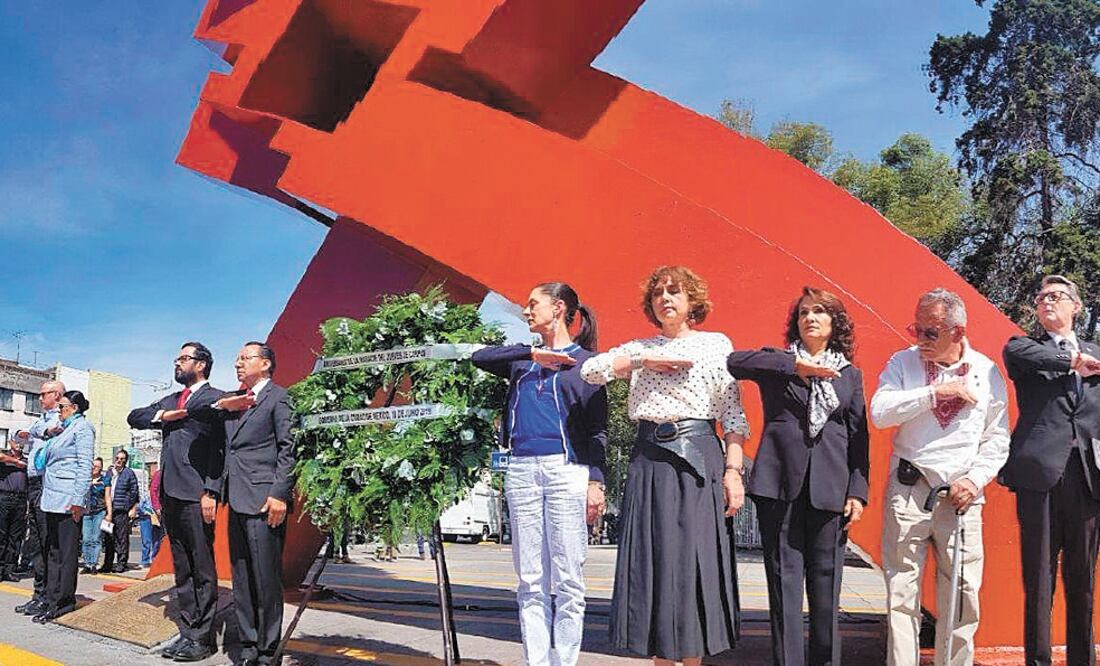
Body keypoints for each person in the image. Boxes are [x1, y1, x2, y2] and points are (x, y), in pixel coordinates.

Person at [581, 265, 748, 666]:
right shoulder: (638, 347)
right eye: (658, 293)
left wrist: (733, 471)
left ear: (693, 301)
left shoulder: (715, 344)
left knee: (693, 564)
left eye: (675, 292)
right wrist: (642, 361)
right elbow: (590, 372)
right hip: (649, 461)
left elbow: (735, 415)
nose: (665, 299)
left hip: (700, 458)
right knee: (654, 563)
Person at [726, 286, 869, 666]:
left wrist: (858, 490)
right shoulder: (777, 363)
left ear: (834, 323)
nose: (810, 318)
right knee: (784, 586)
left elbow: (859, 438)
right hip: (780, 488)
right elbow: (735, 362)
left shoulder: (850, 376)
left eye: (820, 312)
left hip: (831, 491)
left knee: (827, 589)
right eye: (804, 312)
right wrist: (798, 368)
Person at [471, 281, 608, 666]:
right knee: (530, 580)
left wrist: (596, 481)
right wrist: (533, 352)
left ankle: (564, 661)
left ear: (559, 308)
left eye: (533, 304)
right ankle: (536, 661)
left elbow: (599, 429)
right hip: (521, 471)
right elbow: (480, 357)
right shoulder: (521, 360)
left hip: (567, 472)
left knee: (568, 579)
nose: (527, 311)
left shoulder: (586, 364)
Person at [871, 288, 1009, 666]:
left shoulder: (985, 371)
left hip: (962, 496)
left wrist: (976, 480)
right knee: (901, 592)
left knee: (963, 594)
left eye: (930, 332)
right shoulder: (903, 362)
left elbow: (997, 438)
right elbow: (880, 413)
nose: (920, 339)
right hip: (909, 490)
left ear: (958, 332)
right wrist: (934, 392)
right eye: (917, 328)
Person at [1001, 275, 1100, 666]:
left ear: (1077, 306)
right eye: (1041, 297)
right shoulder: (1024, 348)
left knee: (1083, 580)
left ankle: (1082, 660)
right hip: (1039, 477)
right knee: (1039, 579)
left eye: (1056, 297)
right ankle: (1038, 660)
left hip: (1089, 478)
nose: (1046, 303)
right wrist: (1073, 361)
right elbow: (1027, 359)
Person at [198, 342, 294, 666]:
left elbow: (288, 449)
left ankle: (268, 652)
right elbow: (219, 442)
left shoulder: (279, 398)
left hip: (265, 502)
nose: (238, 363)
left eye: (245, 358)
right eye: (237, 358)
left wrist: (280, 493)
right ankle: (248, 646)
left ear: (265, 364)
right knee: (241, 578)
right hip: (236, 500)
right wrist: (212, 491)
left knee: (265, 579)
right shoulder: (234, 403)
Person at [128, 341, 225, 661]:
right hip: (170, 494)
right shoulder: (171, 399)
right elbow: (136, 416)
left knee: (201, 567)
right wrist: (166, 414)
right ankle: (187, 632)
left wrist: (211, 490)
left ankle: (203, 638)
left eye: (184, 358)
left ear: (202, 364)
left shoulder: (216, 398)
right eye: (177, 358)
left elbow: (220, 450)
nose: (177, 363)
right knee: (182, 567)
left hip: (197, 495)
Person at [34, 390, 94, 622]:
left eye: (62, 407)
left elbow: (84, 465)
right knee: (53, 551)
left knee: (67, 554)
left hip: (69, 499)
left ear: (75, 408)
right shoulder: (61, 430)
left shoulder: (83, 428)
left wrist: (79, 499)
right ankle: (50, 598)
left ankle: (63, 602)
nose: (58, 410)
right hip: (52, 498)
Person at [14, 379, 64, 617]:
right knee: (35, 540)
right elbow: (21, 434)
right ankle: (38, 593)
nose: (40, 398)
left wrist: (37, 432)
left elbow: (49, 434)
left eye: (44, 394)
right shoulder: (42, 420)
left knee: (46, 540)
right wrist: (34, 431)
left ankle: (47, 595)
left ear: (56, 395)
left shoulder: (61, 417)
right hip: (33, 482)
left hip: (47, 483)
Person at [102, 449, 139, 573]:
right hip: (109, 510)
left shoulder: (129, 473)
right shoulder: (110, 472)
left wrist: (131, 507)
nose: (119, 461)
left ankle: (121, 563)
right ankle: (107, 564)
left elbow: (134, 492)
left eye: (122, 459)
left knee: (121, 538)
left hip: (121, 510)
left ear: (125, 461)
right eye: (117, 458)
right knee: (108, 538)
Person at [0, 434, 29, 582]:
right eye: (16, 441)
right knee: (1, 535)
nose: (19, 444)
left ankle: (9, 569)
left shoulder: (27, 461)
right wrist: (16, 462)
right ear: (10, 442)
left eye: (21, 442)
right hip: (5, 498)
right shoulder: (4, 457)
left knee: (15, 537)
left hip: (21, 500)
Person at [80, 457, 108, 574]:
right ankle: (87, 563)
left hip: (100, 511)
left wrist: (109, 513)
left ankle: (93, 564)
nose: (94, 468)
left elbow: (108, 497)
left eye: (96, 466)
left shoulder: (105, 480)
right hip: (86, 512)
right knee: (86, 538)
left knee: (96, 538)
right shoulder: (86, 480)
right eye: (93, 466)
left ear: (101, 468)